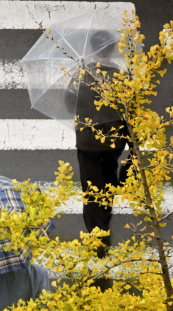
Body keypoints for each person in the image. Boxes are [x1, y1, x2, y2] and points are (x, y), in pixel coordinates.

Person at [69, 31, 129, 257]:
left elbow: (68, 103)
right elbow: (129, 112)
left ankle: (97, 234)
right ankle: (105, 216)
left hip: (87, 142)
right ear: (113, 50)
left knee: (91, 188)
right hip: (113, 142)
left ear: (92, 51)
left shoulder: (83, 75)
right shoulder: (121, 76)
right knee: (108, 177)